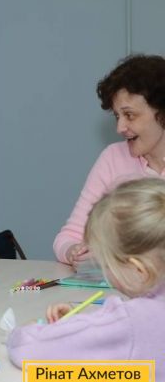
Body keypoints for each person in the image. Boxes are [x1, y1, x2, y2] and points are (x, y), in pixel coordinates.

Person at [9, 178, 165, 382]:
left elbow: (28, 349)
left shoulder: (131, 322)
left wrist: (34, 330)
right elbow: (135, 371)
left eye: (104, 263)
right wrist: (82, 325)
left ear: (138, 269)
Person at [54, 54, 165, 266]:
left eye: (129, 115)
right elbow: (69, 236)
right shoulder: (112, 158)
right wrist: (73, 252)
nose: (120, 128)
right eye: (117, 116)